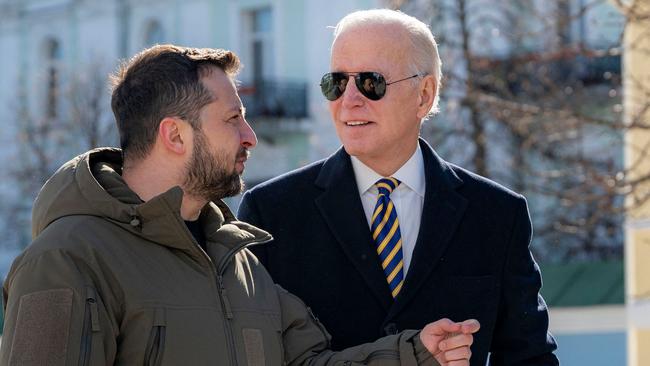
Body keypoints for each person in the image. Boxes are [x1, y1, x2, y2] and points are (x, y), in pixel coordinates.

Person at [0, 44, 479, 366]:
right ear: (175, 135)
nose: (250, 136)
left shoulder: (238, 261)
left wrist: (415, 353)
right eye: (233, 119)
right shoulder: (67, 258)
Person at [238, 9, 559, 366]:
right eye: (337, 83)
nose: (349, 100)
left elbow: (530, 357)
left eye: (371, 82)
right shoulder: (271, 212)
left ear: (424, 94)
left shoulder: (497, 214)